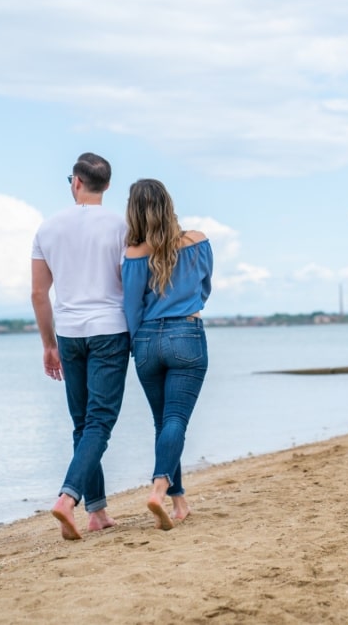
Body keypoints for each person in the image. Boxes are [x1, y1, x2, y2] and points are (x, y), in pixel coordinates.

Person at [31, 152, 131, 540]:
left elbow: (39, 293)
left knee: (83, 423)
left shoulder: (48, 228)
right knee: (100, 422)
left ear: (76, 182)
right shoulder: (122, 227)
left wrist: (48, 343)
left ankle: (97, 511)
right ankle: (67, 499)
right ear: (106, 185)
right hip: (110, 329)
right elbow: (130, 282)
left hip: (70, 333)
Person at [122, 179, 213, 530]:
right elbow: (205, 289)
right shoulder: (198, 241)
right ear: (168, 204)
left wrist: (136, 345)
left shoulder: (133, 254)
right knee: (175, 420)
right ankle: (159, 488)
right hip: (186, 334)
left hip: (146, 340)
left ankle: (179, 503)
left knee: (163, 424)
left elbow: (130, 308)